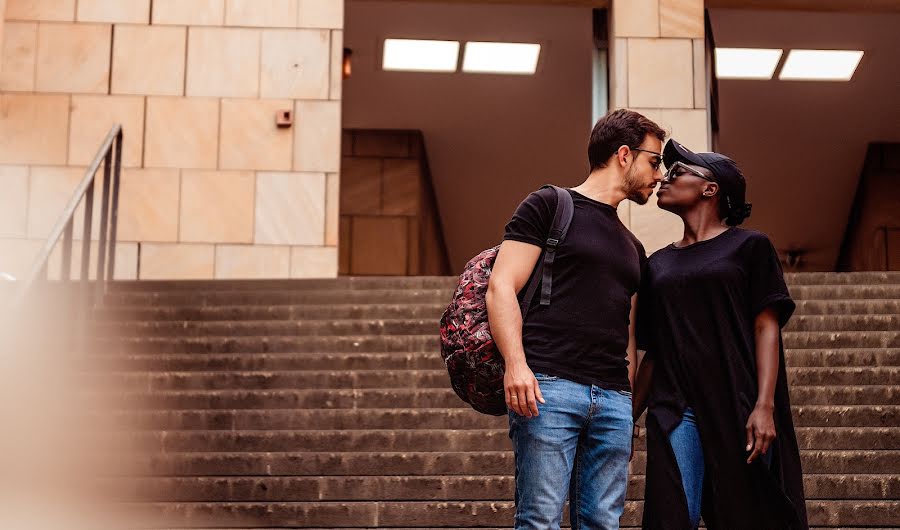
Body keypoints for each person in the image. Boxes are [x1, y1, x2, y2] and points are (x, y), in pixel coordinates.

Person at [486, 108, 665, 529]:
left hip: (613, 401)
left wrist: (627, 409)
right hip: (549, 388)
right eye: (654, 161)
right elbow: (501, 288)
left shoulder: (632, 247)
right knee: (540, 519)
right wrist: (516, 365)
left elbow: (630, 335)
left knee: (603, 522)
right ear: (624, 154)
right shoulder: (551, 204)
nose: (659, 175)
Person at [632, 139, 808, 529]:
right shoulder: (657, 265)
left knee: (743, 515)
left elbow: (766, 326)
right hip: (676, 407)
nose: (665, 178)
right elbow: (656, 351)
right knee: (672, 515)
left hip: (737, 400)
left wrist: (764, 405)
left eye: (678, 173)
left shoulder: (750, 247)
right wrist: (628, 417)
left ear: (710, 189)